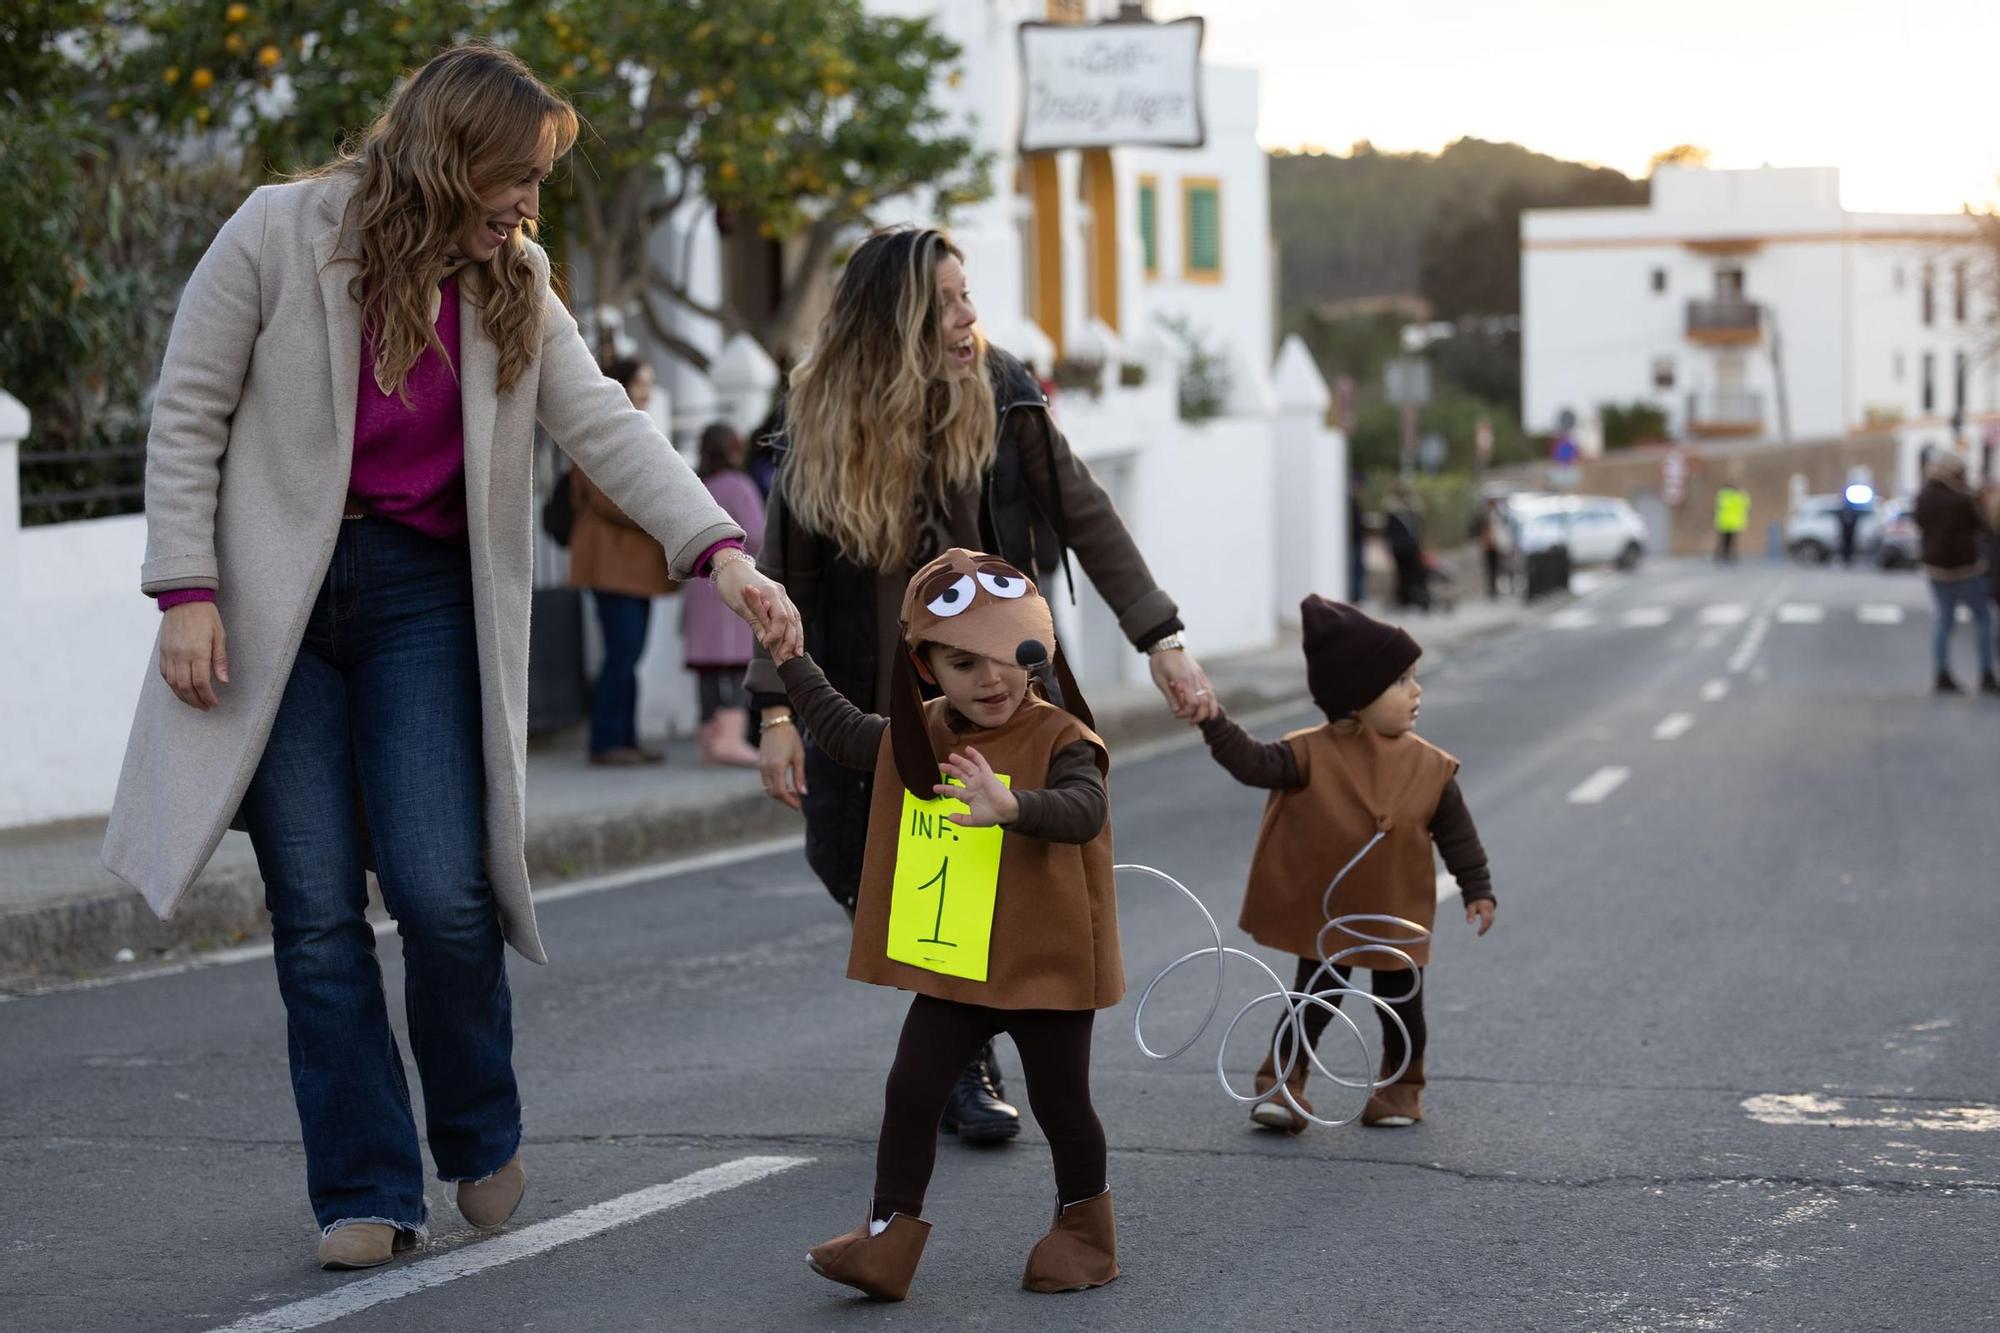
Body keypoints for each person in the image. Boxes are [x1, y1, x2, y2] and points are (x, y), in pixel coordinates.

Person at [100, 44, 800, 1272]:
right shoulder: (275, 232)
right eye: (517, 176)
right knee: (315, 913)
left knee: (441, 888)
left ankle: (475, 1132)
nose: (531, 204)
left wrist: (722, 554)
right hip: (278, 613)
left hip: (425, 601)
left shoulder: (512, 279)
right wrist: (185, 592)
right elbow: (188, 408)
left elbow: (607, 428)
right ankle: (362, 1185)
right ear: (449, 156)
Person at [747, 226, 1213, 1143]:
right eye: (948, 303)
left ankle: (965, 1056)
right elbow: (784, 572)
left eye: (967, 296)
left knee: (975, 854)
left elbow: (1083, 510)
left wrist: (1161, 638)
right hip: (861, 691)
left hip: (993, 686)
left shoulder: (1005, 396)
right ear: (897, 322)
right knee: (847, 860)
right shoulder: (820, 419)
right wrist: (774, 705)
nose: (969, 317)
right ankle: (968, 1028)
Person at [766, 550, 1123, 1301]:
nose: (990, 680)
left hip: (1048, 961)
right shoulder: (923, 730)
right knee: (912, 1088)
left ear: (1040, 651)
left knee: (1062, 1104)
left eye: (1007, 658)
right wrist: (791, 660)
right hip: (959, 959)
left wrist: (1015, 805)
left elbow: (1085, 809)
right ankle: (887, 1237)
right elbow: (846, 733)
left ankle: (1086, 1230)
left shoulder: (1061, 736)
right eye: (963, 661)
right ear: (926, 665)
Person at [1196, 596, 1494, 1131]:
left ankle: (1401, 1090)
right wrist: (1214, 721)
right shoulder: (1310, 752)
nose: (1416, 690)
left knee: (1401, 1007)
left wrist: (1478, 887)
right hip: (1328, 918)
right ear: (1356, 696)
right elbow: (1253, 763)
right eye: (1401, 680)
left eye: (1414, 678)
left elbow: (1457, 833)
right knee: (1311, 1000)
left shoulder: (1430, 766)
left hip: (1396, 912)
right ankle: (1283, 1087)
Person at [568, 357, 677, 765]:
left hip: (631, 566)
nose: (648, 392)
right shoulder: (602, 430)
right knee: (622, 652)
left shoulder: (633, 429)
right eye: (642, 383)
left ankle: (624, 738)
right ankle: (608, 740)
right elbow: (611, 499)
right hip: (612, 564)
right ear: (621, 386)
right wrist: (667, 512)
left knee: (629, 654)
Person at [683, 423, 766, 765]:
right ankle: (730, 740)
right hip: (731, 583)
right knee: (733, 665)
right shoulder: (739, 486)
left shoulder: (695, 485)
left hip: (697, 585)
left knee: (707, 668)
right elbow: (756, 533)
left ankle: (709, 739)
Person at [1913, 451, 1997, 695]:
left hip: (1935, 568)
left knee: (1945, 621)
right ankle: (1986, 673)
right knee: (1983, 619)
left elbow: (1920, 524)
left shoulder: (1924, 496)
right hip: (1964, 568)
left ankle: (1941, 672)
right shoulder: (1960, 500)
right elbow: (1980, 525)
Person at [1714, 482, 1749, 563]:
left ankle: (1722, 555)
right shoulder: (1738, 496)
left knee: (1724, 540)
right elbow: (1745, 504)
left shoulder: (1723, 496)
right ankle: (1728, 555)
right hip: (1733, 522)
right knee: (1730, 541)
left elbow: (1718, 507)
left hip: (1724, 522)